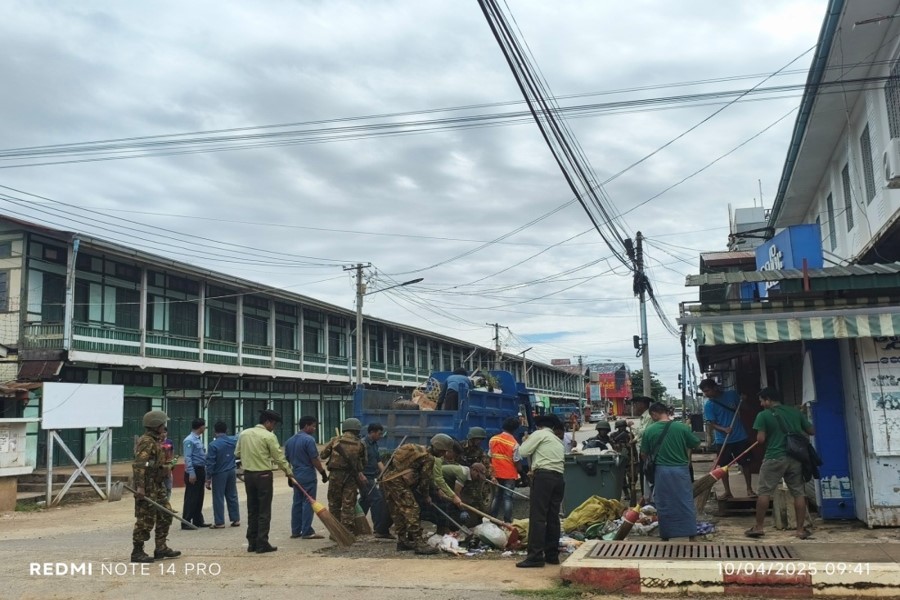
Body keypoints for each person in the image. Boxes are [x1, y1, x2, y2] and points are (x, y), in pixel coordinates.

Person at [746, 387, 815, 540]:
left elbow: (761, 440)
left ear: (768, 399)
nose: (762, 404)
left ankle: (759, 527)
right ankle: (800, 530)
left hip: (774, 457)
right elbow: (811, 431)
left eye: (762, 401)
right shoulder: (795, 412)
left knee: (764, 492)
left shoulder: (763, 415)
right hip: (795, 458)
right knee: (798, 493)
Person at [235, 409, 295, 554]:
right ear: (268, 422)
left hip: (248, 476)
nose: (274, 427)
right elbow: (279, 457)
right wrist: (289, 472)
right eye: (273, 424)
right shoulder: (269, 436)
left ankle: (252, 543)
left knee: (252, 509)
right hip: (263, 476)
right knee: (264, 510)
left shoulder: (244, 434)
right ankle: (262, 543)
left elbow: (236, 453)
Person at [640, 402, 700, 541]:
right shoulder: (682, 428)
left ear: (655, 413)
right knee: (685, 500)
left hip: (662, 471)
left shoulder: (649, 430)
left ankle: (666, 535)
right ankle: (691, 534)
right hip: (681, 470)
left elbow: (644, 454)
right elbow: (695, 443)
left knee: (664, 502)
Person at [131, 410, 180, 563]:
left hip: (157, 485)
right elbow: (139, 465)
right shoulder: (146, 441)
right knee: (145, 519)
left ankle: (161, 547)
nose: (164, 427)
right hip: (147, 486)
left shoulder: (156, 441)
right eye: (162, 424)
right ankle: (137, 551)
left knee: (166, 513)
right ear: (156, 425)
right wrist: (140, 487)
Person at [516, 414, 565, 568]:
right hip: (558, 478)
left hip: (543, 478)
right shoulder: (557, 440)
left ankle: (535, 556)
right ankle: (552, 555)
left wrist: (526, 441)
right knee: (553, 517)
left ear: (539, 426)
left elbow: (522, 452)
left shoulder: (539, 434)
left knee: (538, 517)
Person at [700, 379, 755, 498]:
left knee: (745, 464)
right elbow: (712, 423)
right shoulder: (709, 405)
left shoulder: (731, 395)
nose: (706, 394)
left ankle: (749, 489)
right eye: (704, 392)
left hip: (740, 437)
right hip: (722, 439)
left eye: (707, 390)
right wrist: (723, 429)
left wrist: (743, 401)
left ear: (714, 388)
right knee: (724, 467)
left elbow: (745, 408)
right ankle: (728, 492)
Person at [320, 418, 368, 535]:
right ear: (357, 430)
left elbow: (322, 455)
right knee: (348, 504)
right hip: (351, 476)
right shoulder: (360, 444)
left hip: (335, 476)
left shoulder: (335, 441)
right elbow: (363, 463)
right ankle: (347, 531)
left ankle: (335, 532)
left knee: (334, 503)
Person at [284, 416, 328, 540]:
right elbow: (314, 459)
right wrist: (323, 473)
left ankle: (296, 530)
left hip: (296, 474)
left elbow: (286, 460)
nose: (314, 429)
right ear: (306, 426)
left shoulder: (289, 441)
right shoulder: (309, 440)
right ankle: (307, 531)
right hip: (307, 474)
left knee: (297, 502)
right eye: (313, 426)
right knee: (309, 502)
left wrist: (289, 476)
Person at [358, 422, 393, 539]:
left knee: (365, 500)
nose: (381, 436)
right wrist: (360, 475)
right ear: (372, 432)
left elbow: (378, 461)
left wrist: (384, 474)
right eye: (379, 433)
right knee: (377, 499)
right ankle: (380, 530)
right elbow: (356, 462)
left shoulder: (374, 444)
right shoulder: (362, 444)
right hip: (365, 477)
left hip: (372, 476)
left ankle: (356, 525)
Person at [205, 421, 240, 529]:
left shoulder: (213, 445)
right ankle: (235, 519)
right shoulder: (233, 440)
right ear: (227, 430)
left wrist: (208, 478)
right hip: (231, 471)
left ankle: (219, 522)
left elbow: (211, 463)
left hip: (219, 473)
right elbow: (239, 436)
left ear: (214, 431)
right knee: (232, 495)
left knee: (218, 497)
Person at [489, 417, 521, 524]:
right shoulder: (514, 444)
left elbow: (490, 455)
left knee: (497, 496)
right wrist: (521, 472)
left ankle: (493, 519)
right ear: (515, 429)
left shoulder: (493, 439)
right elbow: (516, 461)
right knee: (508, 498)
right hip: (509, 474)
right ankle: (507, 521)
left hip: (496, 473)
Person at [457, 427, 492, 516]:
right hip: (459, 476)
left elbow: (486, 464)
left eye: (481, 439)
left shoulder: (479, 451)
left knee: (475, 499)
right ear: (472, 438)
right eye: (478, 439)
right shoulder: (460, 447)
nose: (479, 442)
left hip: (472, 479)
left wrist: (491, 476)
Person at [181, 418, 209, 529]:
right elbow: (188, 458)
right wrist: (191, 473)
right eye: (204, 426)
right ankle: (186, 521)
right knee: (191, 497)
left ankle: (198, 520)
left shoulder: (197, 439)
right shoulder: (189, 440)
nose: (205, 428)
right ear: (200, 427)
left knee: (199, 497)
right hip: (194, 470)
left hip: (200, 469)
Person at [627, 396, 654, 499]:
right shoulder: (643, 417)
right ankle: (645, 496)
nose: (634, 407)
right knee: (643, 474)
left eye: (635, 404)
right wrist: (634, 440)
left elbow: (644, 432)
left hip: (647, 451)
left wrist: (631, 428)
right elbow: (640, 434)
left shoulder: (648, 417)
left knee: (647, 475)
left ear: (642, 404)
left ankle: (648, 498)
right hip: (642, 450)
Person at [159, 427, 175, 500]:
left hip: (168, 469)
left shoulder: (169, 442)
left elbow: (173, 454)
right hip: (159, 469)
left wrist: (172, 465)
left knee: (168, 487)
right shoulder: (156, 443)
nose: (163, 434)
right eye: (162, 432)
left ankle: (167, 502)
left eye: (165, 432)